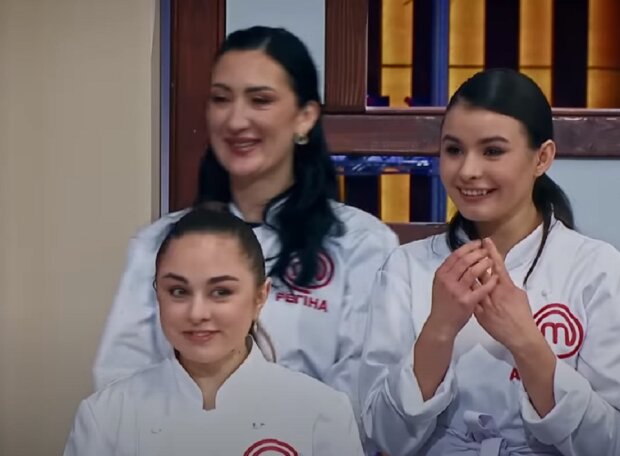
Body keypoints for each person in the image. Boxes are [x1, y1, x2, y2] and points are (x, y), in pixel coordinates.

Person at [93, 26, 398, 423]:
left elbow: (363, 403)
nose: (236, 120)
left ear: (305, 117)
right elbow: (119, 386)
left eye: (260, 100)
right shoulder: (157, 243)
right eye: (221, 99)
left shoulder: (362, 244)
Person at [359, 68, 620, 456]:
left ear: (542, 157)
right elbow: (379, 434)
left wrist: (526, 343)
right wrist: (439, 329)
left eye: (493, 151)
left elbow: (610, 442)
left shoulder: (596, 269)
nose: (468, 170)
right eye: (454, 150)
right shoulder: (406, 267)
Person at [65, 208, 364, 455]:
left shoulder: (323, 413)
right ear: (158, 294)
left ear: (260, 296)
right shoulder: (107, 416)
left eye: (221, 292)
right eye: (178, 291)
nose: (197, 313)